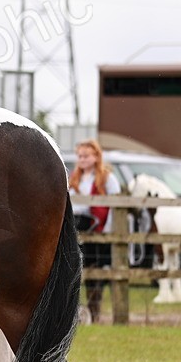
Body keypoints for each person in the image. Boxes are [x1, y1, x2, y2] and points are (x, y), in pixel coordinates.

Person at [68, 138, 120, 323]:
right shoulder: (74, 178)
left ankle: (94, 310)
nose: (82, 159)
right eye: (80, 156)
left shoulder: (107, 178)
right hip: (77, 227)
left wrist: (108, 229)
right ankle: (75, 313)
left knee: (95, 270)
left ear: (96, 156)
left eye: (86, 156)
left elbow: (115, 206)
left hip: (97, 227)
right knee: (74, 269)